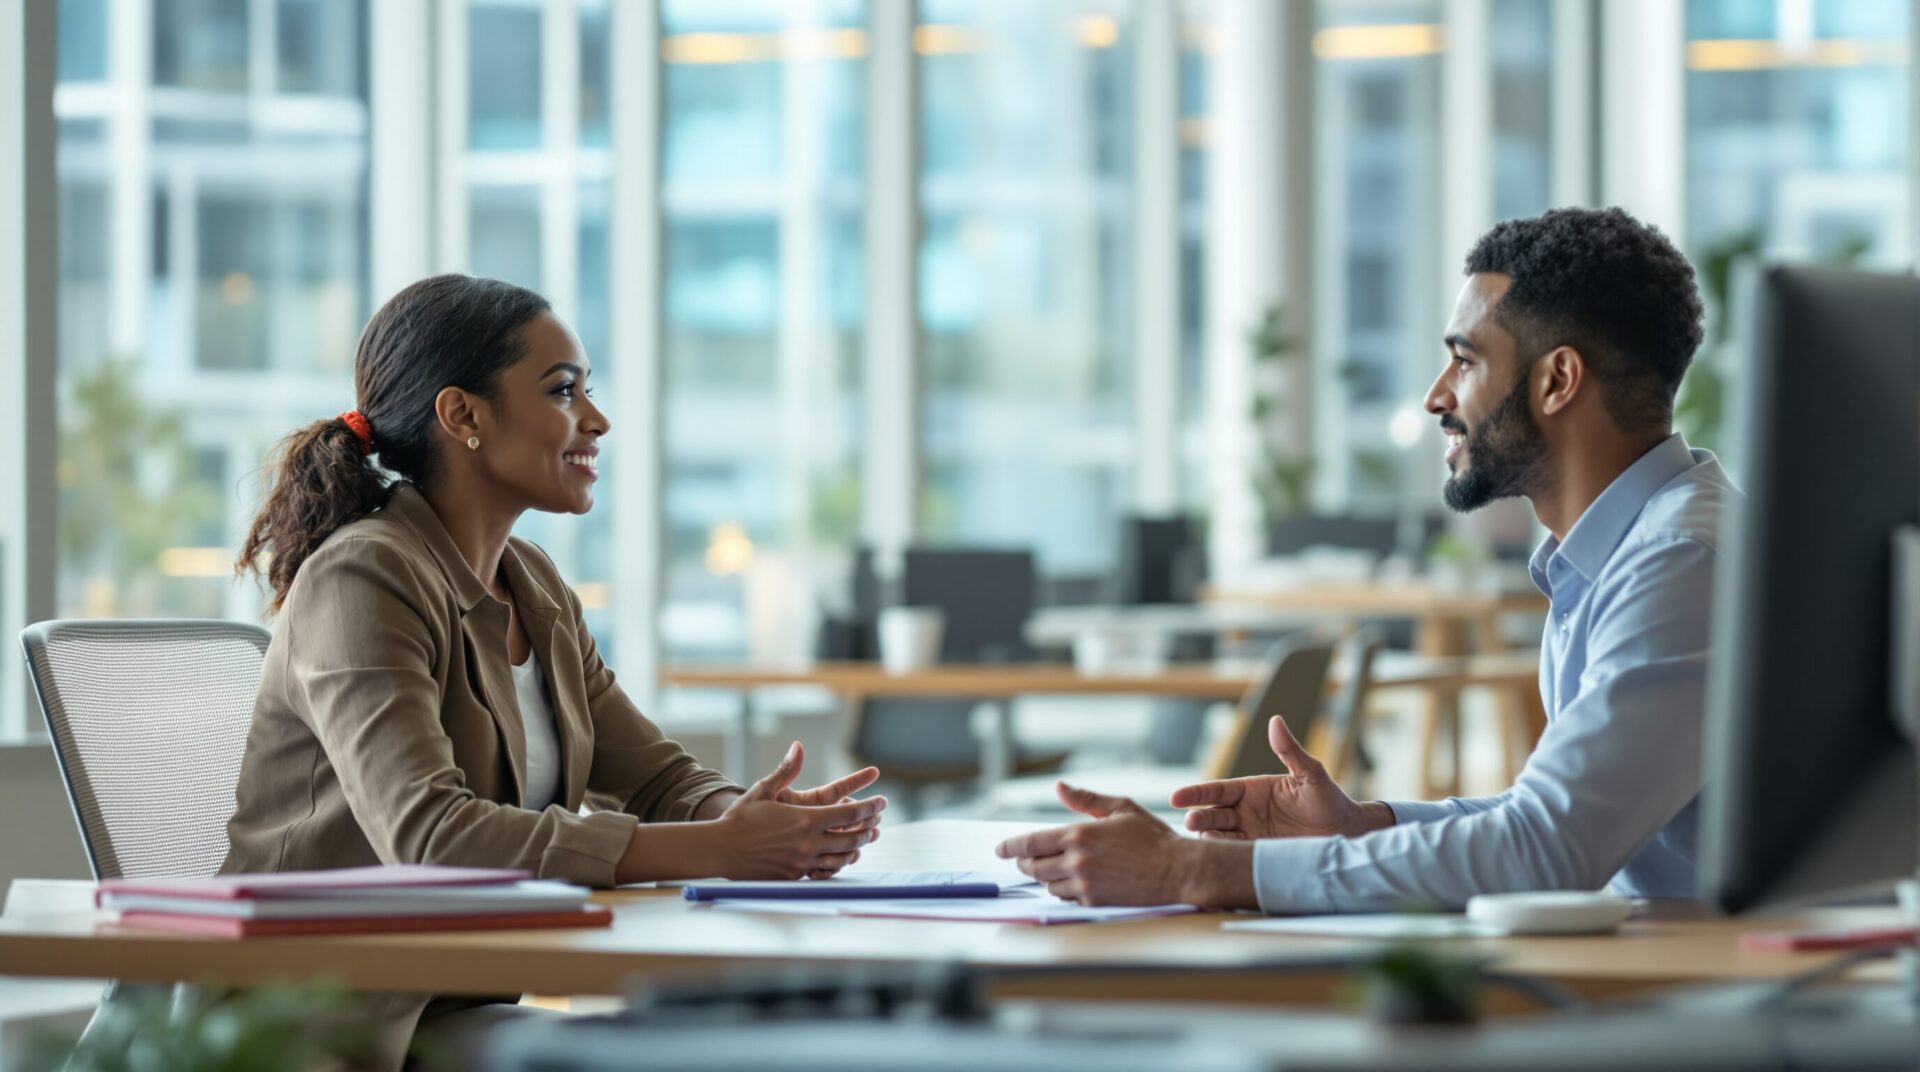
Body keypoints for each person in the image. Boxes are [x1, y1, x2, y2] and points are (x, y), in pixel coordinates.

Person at [998, 206, 1740, 914]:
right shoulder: (1628, 551)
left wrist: (1188, 868)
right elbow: (1551, 816)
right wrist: (1364, 826)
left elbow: (1547, 848)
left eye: (1464, 359)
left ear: (1557, 381)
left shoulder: (1677, 561)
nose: (1434, 396)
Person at [226, 274, 885, 1068]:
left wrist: (755, 819)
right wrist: (721, 849)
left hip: (456, 1001)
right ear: (462, 415)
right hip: (320, 1023)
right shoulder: (362, 578)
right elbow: (431, 837)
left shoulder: (532, 583)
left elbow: (654, 780)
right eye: (564, 391)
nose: (597, 421)